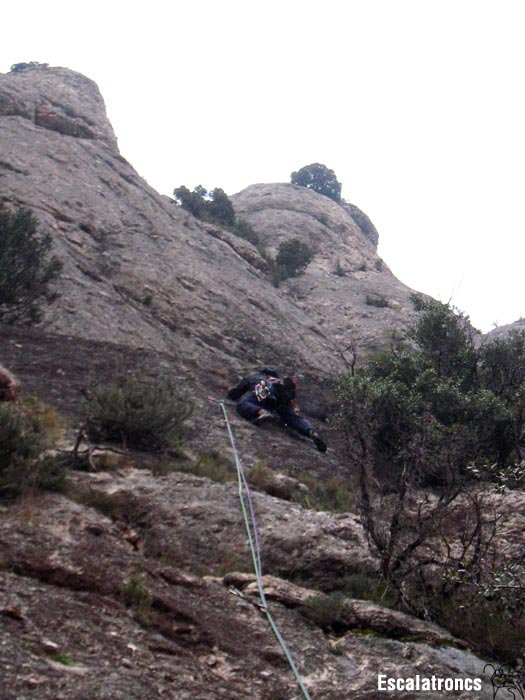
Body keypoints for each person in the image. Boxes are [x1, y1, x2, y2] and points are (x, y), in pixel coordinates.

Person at [227, 367, 327, 452]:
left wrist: (230, 396)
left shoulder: (254, 376)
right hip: (281, 398)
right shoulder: (277, 381)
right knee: (292, 417)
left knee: (243, 404)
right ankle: (310, 431)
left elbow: (234, 393)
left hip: (266, 393)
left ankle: (261, 412)